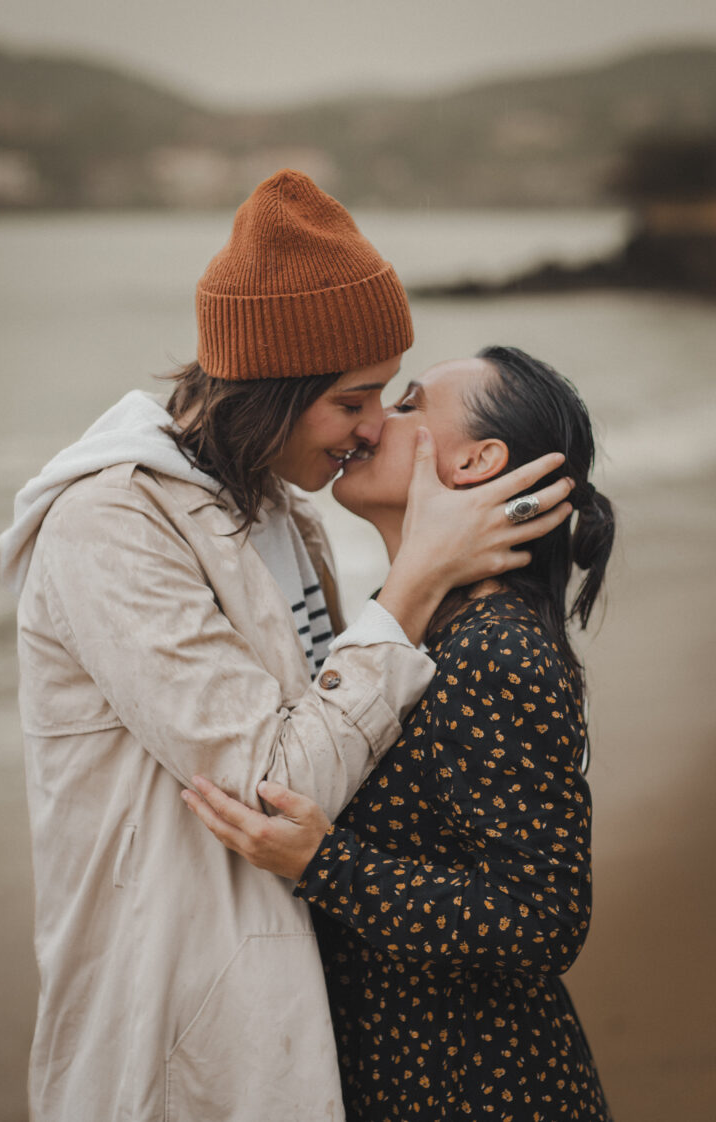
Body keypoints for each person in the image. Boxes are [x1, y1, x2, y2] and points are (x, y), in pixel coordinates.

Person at [0, 170, 572, 1122]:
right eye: (352, 401)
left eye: (386, 397)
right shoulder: (111, 523)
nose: (371, 429)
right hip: (171, 1021)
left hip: (284, 1003)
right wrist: (418, 577)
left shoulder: (276, 513)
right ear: (273, 389)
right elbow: (276, 774)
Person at [183, 346, 614, 1120]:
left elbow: (545, 916)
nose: (375, 424)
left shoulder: (494, 648)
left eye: (409, 406)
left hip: (484, 1088)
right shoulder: (415, 621)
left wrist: (327, 864)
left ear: (477, 461)